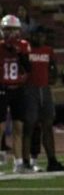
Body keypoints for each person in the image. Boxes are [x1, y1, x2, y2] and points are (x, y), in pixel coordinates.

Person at [22, 29, 64, 172]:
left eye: (41, 35)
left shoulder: (48, 50)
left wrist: (53, 76)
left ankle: (52, 160)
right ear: (31, 36)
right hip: (30, 89)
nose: (39, 38)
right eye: (36, 35)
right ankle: (26, 161)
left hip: (45, 89)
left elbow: (53, 66)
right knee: (29, 126)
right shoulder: (27, 49)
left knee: (47, 125)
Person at [0, 15, 32, 173]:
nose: (11, 33)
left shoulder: (24, 45)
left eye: (13, 29)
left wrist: (19, 53)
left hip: (18, 88)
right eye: (7, 30)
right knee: (0, 127)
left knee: (19, 127)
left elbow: (28, 68)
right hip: (2, 88)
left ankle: (18, 162)